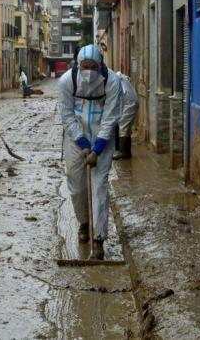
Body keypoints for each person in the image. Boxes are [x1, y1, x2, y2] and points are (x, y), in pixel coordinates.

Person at [58, 44, 121, 259]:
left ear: (100, 64)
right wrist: (84, 145)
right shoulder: (68, 81)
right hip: (76, 139)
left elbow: (111, 117)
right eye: (84, 66)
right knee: (76, 187)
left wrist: (98, 149)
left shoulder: (112, 82)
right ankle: (84, 222)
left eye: (93, 66)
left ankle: (99, 239)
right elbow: (66, 115)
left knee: (99, 187)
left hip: (103, 138)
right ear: (77, 65)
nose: (88, 71)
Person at [113, 71, 139, 160]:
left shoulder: (116, 80)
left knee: (123, 127)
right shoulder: (121, 78)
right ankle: (126, 152)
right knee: (125, 128)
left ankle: (123, 152)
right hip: (128, 103)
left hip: (129, 104)